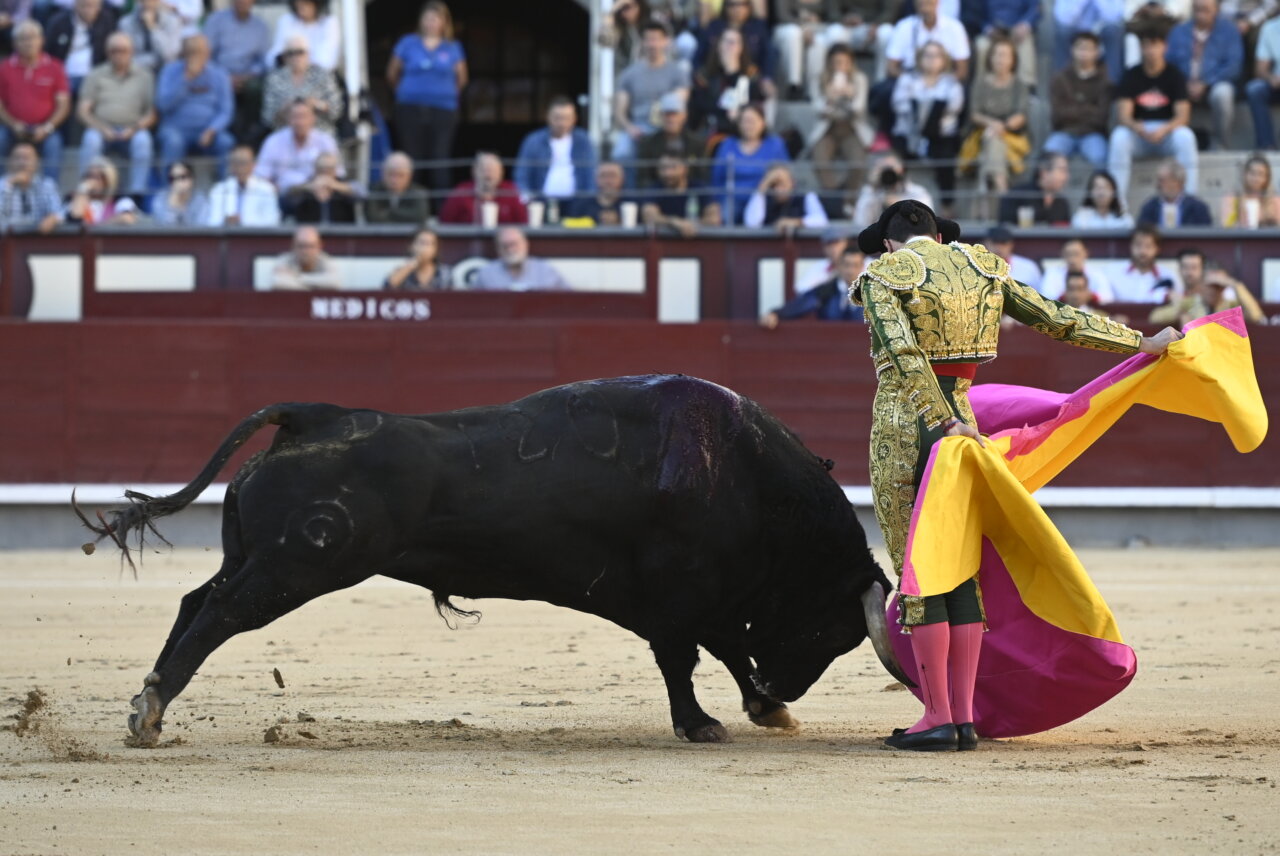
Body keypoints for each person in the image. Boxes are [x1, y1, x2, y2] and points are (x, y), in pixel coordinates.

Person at [848, 199, 1181, 751]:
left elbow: (904, 356)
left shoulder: (884, 275)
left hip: (912, 426)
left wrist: (940, 420)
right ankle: (963, 717)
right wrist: (1141, 344)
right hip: (967, 425)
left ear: (888, 242)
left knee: (921, 563)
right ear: (938, 234)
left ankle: (936, 715)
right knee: (961, 563)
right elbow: (1059, 319)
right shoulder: (985, 267)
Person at [1108, 26, 1198, 200]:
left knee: (1186, 137)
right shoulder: (1131, 75)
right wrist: (1136, 127)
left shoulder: (1175, 75)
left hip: (1167, 131)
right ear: (1141, 48)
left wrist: (1165, 129)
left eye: (1155, 45)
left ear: (1164, 47)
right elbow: (1123, 115)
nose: (1151, 51)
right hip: (1140, 132)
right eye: (1146, 46)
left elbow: (1183, 116)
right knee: (1119, 137)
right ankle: (1117, 204)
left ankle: (1188, 200)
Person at [387, 1, 466, 194]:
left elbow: (462, 79)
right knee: (412, 157)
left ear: (444, 22)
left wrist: (444, 94)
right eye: (428, 18)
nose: (431, 22)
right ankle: (411, 206)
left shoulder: (452, 47)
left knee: (440, 158)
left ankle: (442, 211)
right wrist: (406, 92)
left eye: (436, 18)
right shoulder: (407, 43)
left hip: (443, 110)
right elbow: (392, 73)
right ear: (421, 20)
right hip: (410, 108)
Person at [890, 41, 964, 217]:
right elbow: (898, 103)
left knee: (947, 157)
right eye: (927, 55)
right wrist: (924, 111)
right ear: (919, 58)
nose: (932, 60)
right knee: (896, 158)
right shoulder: (907, 79)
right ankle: (897, 204)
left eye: (936, 55)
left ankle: (947, 206)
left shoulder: (951, 82)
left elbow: (955, 106)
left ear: (943, 60)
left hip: (940, 133)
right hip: (909, 132)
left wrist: (927, 111)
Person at [960, 37, 1030, 218]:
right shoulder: (981, 82)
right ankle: (1002, 188)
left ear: (1013, 59)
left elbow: (1021, 116)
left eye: (1005, 55)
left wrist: (1001, 127)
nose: (1001, 59)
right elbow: (974, 114)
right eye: (997, 55)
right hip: (982, 133)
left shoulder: (1019, 84)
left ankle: (983, 194)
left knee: (993, 143)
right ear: (990, 58)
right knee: (991, 140)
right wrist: (992, 125)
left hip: (1011, 137)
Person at [77, 33, 154, 195]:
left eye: (123, 50)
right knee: (90, 139)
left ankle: (137, 194)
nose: (118, 55)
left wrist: (133, 129)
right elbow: (83, 111)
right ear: (107, 52)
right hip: (102, 130)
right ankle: (86, 191)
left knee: (143, 140)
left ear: (132, 52)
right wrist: (102, 128)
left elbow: (152, 113)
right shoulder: (96, 74)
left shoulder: (144, 76)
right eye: (114, 51)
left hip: (132, 130)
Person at [1166, 0, 1242, 150]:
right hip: (1184, 85)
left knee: (1223, 93)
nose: (1201, 14)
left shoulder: (1229, 31)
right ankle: (1167, 143)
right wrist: (1183, 83)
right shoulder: (1178, 31)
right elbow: (1168, 63)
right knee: (1164, 86)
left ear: (1216, 10)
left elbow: (1234, 65)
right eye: (1197, 9)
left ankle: (1220, 144)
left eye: (1206, 10)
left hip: (1214, 85)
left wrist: (1206, 82)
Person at [156, 35, 234, 175]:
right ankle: (167, 189)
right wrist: (185, 80)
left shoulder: (220, 74)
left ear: (208, 53)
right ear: (184, 54)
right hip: (176, 129)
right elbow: (163, 105)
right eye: (191, 52)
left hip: (208, 131)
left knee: (226, 142)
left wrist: (211, 130)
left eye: (200, 52)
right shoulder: (169, 71)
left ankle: (226, 190)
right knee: (173, 142)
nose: (196, 57)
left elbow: (225, 111)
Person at [612, 20, 689, 163]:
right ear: (642, 42)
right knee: (621, 153)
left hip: (667, 127)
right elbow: (619, 112)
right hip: (638, 128)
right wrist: (630, 128)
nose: (652, 44)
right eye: (648, 40)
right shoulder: (629, 74)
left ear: (665, 41)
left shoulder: (677, 73)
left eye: (656, 39)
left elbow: (679, 105)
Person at [0, 21, 68, 181]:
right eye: (23, 39)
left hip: (45, 129)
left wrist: (47, 127)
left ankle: (51, 195)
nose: (28, 42)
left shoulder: (55, 66)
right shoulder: (4, 68)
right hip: (13, 128)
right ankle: (1, 192)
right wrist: (13, 124)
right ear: (15, 43)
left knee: (54, 144)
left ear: (42, 40)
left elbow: (63, 104)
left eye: (32, 37)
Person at [810, 44, 874, 207]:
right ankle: (835, 200)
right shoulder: (820, 78)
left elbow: (859, 109)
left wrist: (849, 96)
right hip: (828, 129)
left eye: (844, 62)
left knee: (858, 163)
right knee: (819, 160)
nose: (840, 66)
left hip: (851, 128)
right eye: (836, 62)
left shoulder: (859, 78)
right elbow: (817, 108)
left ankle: (850, 202)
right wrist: (830, 98)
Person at [203, 0, 272, 146]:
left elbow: (263, 61)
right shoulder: (216, 21)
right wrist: (225, 77)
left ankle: (249, 137)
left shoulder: (260, 27)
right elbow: (206, 55)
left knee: (256, 88)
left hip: (247, 78)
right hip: (219, 75)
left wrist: (247, 76)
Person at [709, 103, 788, 224]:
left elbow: (784, 175)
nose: (749, 126)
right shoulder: (727, 144)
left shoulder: (775, 144)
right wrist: (715, 203)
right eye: (745, 121)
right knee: (723, 214)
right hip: (732, 198)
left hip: (765, 198)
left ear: (763, 122)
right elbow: (717, 177)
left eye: (753, 121)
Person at [1044, 32, 1111, 171]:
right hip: (1065, 132)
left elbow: (1101, 117)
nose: (1084, 52)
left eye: (1088, 48)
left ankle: (1098, 192)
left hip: (1093, 134)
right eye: (1080, 48)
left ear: (1097, 52)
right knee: (1049, 155)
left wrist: (1073, 109)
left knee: (1101, 159)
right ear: (1072, 50)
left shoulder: (1105, 82)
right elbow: (1057, 114)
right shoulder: (1059, 79)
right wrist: (1088, 109)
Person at [514, 96, 597, 208]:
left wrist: (588, 202)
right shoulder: (533, 141)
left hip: (576, 203)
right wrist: (527, 199)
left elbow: (591, 173)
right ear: (548, 117)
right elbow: (522, 174)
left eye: (566, 118)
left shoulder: (583, 140)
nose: (561, 123)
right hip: (541, 203)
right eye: (557, 118)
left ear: (574, 119)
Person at [761, 245, 866, 328]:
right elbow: (801, 305)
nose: (851, 271)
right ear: (839, 266)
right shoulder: (826, 291)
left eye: (855, 265)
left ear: (862, 267)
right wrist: (776, 314)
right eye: (847, 265)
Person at [688, 27, 764, 137]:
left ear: (741, 48)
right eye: (727, 41)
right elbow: (700, 105)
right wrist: (724, 110)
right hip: (712, 129)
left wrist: (733, 72)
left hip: (741, 131)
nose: (731, 45)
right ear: (718, 46)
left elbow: (751, 103)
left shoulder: (751, 75)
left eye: (735, 42)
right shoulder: (704, 75)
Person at [255, 99, 340, 195]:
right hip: (281, 196)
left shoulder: (326, 141)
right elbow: (261, 176)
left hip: (315, 196)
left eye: (304, 116)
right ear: (288, 119)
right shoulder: (273, 141)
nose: (300, 122)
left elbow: (337, 174)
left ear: (313, 118)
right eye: (295, 117)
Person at [261, 35, 342, 134]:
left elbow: (336, 111)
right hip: (286, 135)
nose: (296, 57)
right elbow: (267, 118)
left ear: (308, 54)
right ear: (285, 57)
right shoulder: (275, 79)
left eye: (300, 52)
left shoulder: (323, 75)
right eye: (291, 53)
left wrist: (316, 104)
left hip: (319, 132)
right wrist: (285, 109)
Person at [692, 0, 774, 90]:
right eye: (732, 5)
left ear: (749, 6)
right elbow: (699, 53)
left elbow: (768, 53)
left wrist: (767, 77)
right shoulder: (714, 26)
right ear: (725, 6)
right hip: (717, 75)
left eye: (743, 4)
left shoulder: (758, 26)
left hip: (749, 74)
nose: (737, 9)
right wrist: (698, 72)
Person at [1150, 262, 1268, 324]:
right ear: (1201, 285)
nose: (1214, 290)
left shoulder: (1231, 305)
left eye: (1219, 286)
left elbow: (1256, 316)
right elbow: (1155, 318)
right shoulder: (1190, 303)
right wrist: (1181, 312)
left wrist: (1235, 284)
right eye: (1210, 285)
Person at [639, 153, 720, 237]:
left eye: (673, 167)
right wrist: (674, 222)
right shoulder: (654, 189)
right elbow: (649, 216)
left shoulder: (700, 188)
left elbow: (714, 218)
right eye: (663, 168)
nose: (667, 173)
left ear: (685, 169)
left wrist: (692, 225)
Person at [636, 92, 705, 189]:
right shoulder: (648, 143)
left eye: (675, 114)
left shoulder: (697, 143)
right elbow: (643, 177)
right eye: (667, 114)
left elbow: (702, 175)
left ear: (684, 116)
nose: (671, 119)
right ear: (661, 116)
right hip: (658, 195)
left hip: (688, 194)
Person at [438, 151, 528, 225]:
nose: (488, 174)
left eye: (493, 170)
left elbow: (523, 223)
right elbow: (444, 223)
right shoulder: (461, 193)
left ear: (501, 173)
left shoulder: (510, 192)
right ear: (474, 171)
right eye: (484, 169)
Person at [44, 0, 119, 89]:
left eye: (91, 6)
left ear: (99, 7)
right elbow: (49, 52)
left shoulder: (107, 22)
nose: (87, 10)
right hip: (64, 75)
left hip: (95, 76)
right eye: (83, 6)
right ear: (75, 5)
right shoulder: (58, 22)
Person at [473, 226, 569, 291]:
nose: (510, 250)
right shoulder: (486, 274)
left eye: (514, 244)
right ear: (498, 249)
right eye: (505, 246)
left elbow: (570, 299)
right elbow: (473, 304)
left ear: (526, 244)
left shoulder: (545, 270)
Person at [206, 144, 280, 226]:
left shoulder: (266, 190)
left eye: (244, 163)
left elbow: (272, 221)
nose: (240, 168)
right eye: (236, 163)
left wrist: (242, 220)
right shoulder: (219, 189)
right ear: (231, 166)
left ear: (253, 165)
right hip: (227, 236)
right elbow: (211, 221)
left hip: (255, 238)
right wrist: (225, 221)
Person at [851, 152, 935, 225]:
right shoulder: (870, 191)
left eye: (891, 169)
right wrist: (874, 188)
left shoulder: (917, 192)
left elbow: (926, 221)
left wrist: (901, 205)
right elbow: (860, 222)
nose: (888, 174)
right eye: (884, 170)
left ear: (901, 170)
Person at [1052, 0, 1126, 82]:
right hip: (1075, 32)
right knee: (1062, 31)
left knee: (1114, 30)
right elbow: (1065, 18)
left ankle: (1112, 84)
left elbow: (1113, 17)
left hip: (1101, 34)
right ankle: (1062, 83)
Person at [743, 162, 828, 230]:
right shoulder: (763, 199)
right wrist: (764, 185)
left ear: (792, 183)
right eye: (773, 185)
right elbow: (751, 224)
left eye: (782, 184)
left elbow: (821, 220)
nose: (778, 190)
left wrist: (796, 222)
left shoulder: (806, 197)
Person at [996, 152, 1071, 226]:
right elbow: (1005, 227)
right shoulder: (1016, 195)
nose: (1066, 177)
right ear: (1044, 173)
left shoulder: (1062, 202)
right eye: (1062, 171)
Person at [0, 142, 62, 233]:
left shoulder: (47, 184)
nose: (22, 163)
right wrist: (9, 185)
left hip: (38, 240)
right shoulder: (2, 184)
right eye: (17, 158)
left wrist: (52, 218)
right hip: (7, 241)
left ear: (37, 162)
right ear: (9, 161)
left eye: (26, 158)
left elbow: (59, 212)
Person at [285, 150, 360, 224]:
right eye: (321, 169)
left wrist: (335, 186)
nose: (325, 172)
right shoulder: (307, 183)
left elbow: (362, 193)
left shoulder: (343, 182)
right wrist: (309, 187)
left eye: (329, 169)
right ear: (315, 169)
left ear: (335, 170)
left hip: (342, 232)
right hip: (311, 231)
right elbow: (287, 196)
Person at [1111, 223, 1179, 303]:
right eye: (1138, 245)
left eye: (1148, 246)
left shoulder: (1168, 276)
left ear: (1157, 249)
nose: (1143, 251)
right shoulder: (1112, 273)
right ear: (1131, 246)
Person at [1135, 158, 1213, 226]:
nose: (1157, 185)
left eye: (1161, 180)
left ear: (1177, 182)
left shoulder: (1198, 208)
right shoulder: (1149, 207)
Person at [62, 156, 139, 225]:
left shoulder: (120, 198)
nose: (92, 181)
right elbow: (74, 218)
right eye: (89, 176)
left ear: (108, 180)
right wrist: (83, 189)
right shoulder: (74, 198)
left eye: (99, 177)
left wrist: (98, 227)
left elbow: (126, 218)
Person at [1038, 238, 1118, 303]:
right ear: (1062, 254)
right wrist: (1067, 296)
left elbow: (1108, 297)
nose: (1072, 259)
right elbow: (1045, 297)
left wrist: (1090, 296)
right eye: (1068, 254)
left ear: (1086, 253)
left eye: (1076, 254)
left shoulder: (1097, 273)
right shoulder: (1052, 273)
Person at [267, 0, 340, 71]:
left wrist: (297, 59)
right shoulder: (287, 20)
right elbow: (272, 58)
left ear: (317, 3)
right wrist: (284, 59)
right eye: (298, 4)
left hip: (319, 77)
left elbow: (327, 62)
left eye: (306, 3)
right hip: (289, 76)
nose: (301, 8)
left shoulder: (329, 23)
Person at [365, 151, 429, 225]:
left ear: (409, 175)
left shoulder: (418, 192)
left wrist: (389, 212)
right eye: (390, 174)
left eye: (400, 175)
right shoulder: (374, 190)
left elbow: (419, 217)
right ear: (382, 173)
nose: (394, 180)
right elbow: (372, 218)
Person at [118, 0, 182, 73]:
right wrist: (154, 60)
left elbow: (169, 56)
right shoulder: (126, 23)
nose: (148, 3)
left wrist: (153, 28)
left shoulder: (173, 22)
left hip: (164, 71)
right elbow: (127, 57)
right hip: (135, 72)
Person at [1246, 14, 1280, 149]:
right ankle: (1267, 145)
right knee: (1255, 89)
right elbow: (1260, 69)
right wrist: (1271, 78)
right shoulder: (1270, 28)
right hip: (1277, 85)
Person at [271, 224, 340, 290]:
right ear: (293, 246)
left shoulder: (325, 259)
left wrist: (297, 276)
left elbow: (334, 282)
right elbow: (277, 282)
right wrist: (315, 288)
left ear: (319, 246)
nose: (305, 251)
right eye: (301, 246)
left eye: (311, 246)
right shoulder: (284, 260)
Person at [1220, 153, 1280, 227]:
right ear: (1245, 174)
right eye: (1252, 173)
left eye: (1261, 174)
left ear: (1267, 178)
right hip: (1241, 237)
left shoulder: (1274, 199)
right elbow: (1227, 226)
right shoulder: (1233, 197)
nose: (1256, 178)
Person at [384, 227, 451, 291]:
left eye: (430, 244)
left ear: (436, 249)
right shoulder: (402, 271)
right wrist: (411, 265)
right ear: (411, 246)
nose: (425, 248)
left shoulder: (445, 273)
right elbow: (387, 288)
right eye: (422, 243)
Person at [982, 224, 1042, 291]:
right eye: (994, 243)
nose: (999, 248)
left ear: (1011, 245)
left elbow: (1040, 295)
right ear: (986, 244)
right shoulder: (976, 267)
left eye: (1003, 243)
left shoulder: (1029, 267)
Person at [596, 0, 646, 76]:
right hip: (623, 75)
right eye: (622, 9)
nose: (625, 13)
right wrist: (611, 12)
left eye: (627, 8)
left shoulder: (647, 26)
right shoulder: (619, 29)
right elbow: (605, 42)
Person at [150, 159, 208, 225]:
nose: (177, 182)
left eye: (183, 177)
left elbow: (201, 229)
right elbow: (161, 229)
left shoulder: (200, 200)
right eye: (172, 178)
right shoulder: (160, 199)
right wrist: (173, 205)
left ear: (192, 178)